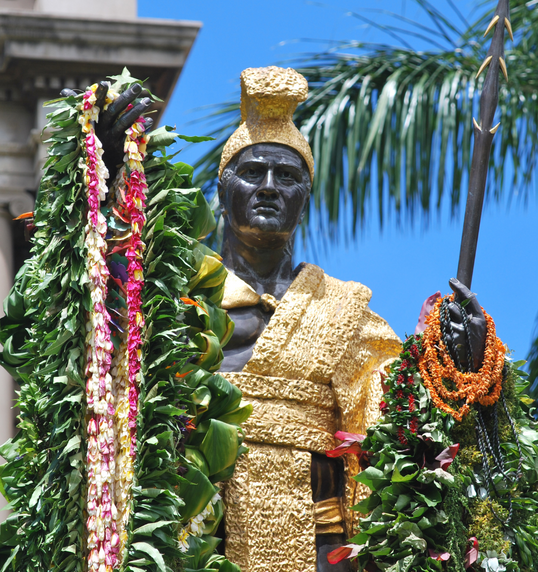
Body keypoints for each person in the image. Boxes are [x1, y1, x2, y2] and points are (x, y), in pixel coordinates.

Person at [90, 66, 486, 572]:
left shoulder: (348, 310)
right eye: (253, 173)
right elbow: (96, 322)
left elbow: (403, 430)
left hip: (324, 548)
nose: (271, 187)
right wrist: (100, 177)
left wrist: (459, 363)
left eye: (289, 177)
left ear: (304, 199)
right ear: (223, 188)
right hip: (198, 540)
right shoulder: (172, 295)